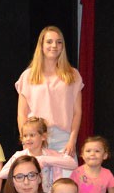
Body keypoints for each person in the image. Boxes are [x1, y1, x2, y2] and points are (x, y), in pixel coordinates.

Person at [16, 26, 83, 158]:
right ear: (41, 45)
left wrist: (72, 140)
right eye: (49, 41)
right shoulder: (28, 75)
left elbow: (77, 112)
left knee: (66, 172)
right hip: (36, 138)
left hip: (64, 139)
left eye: (59, 42)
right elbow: (22, 113)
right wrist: (26, 140)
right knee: (36, 172)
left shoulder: (73, 75)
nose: (54, 46)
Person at [0, 117, 77, 193]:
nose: (28, 139)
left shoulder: (51, 154)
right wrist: (23, 168)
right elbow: (2, 174)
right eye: (25, 136)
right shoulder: (19, 156)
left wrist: (44, 160)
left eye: (32, 135)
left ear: (43, 136)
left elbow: (73, 164)